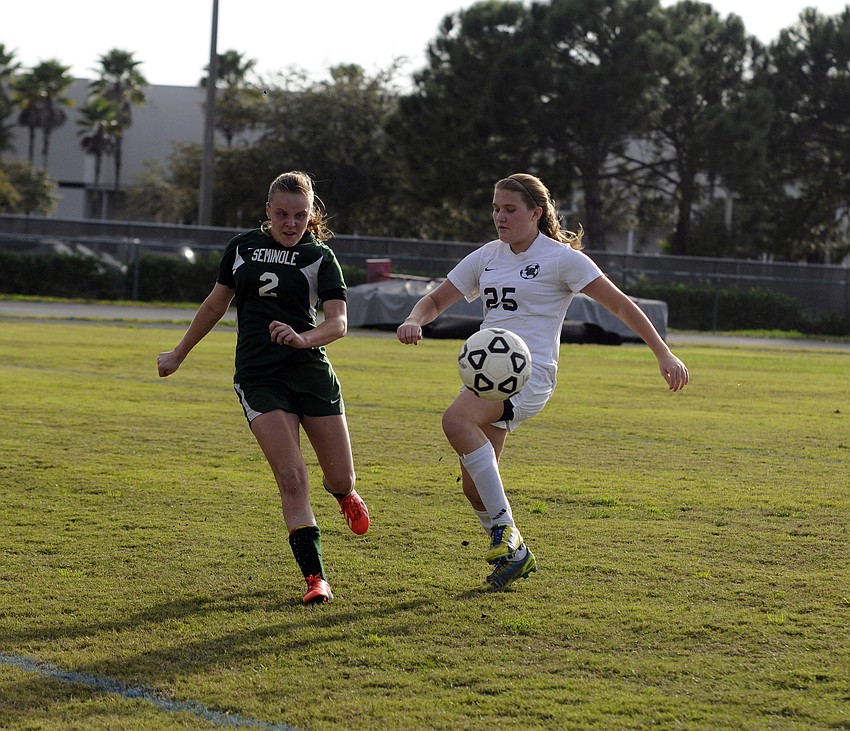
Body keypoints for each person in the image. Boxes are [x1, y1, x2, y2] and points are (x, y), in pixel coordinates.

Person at [397, 173, 688, 591]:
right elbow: (436, 300)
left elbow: (622, 306)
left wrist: (663, 352)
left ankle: (505, 530)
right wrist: (413, 319)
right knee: (475, 489)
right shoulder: (487, 257)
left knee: (455, 420)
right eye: (496, 208)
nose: (500, 216)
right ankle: (516, 556)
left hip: (529, 375)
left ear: (536, 212)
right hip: (488, 378)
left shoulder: (561, 259)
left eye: (510, 209)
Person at [157, 171, 369, 605]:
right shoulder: (242, 248)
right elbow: (216, 304)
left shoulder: (321, 257)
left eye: (300, 215)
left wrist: (302, 338)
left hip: (309, 371)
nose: (290, 223)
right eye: (282, 214)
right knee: (292, 478)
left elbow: (338, 323)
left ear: (311, 215)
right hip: (259, 376)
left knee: (339, 476)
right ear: (268, 211)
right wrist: (178, 353)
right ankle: (316, 579)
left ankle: (345, 494)